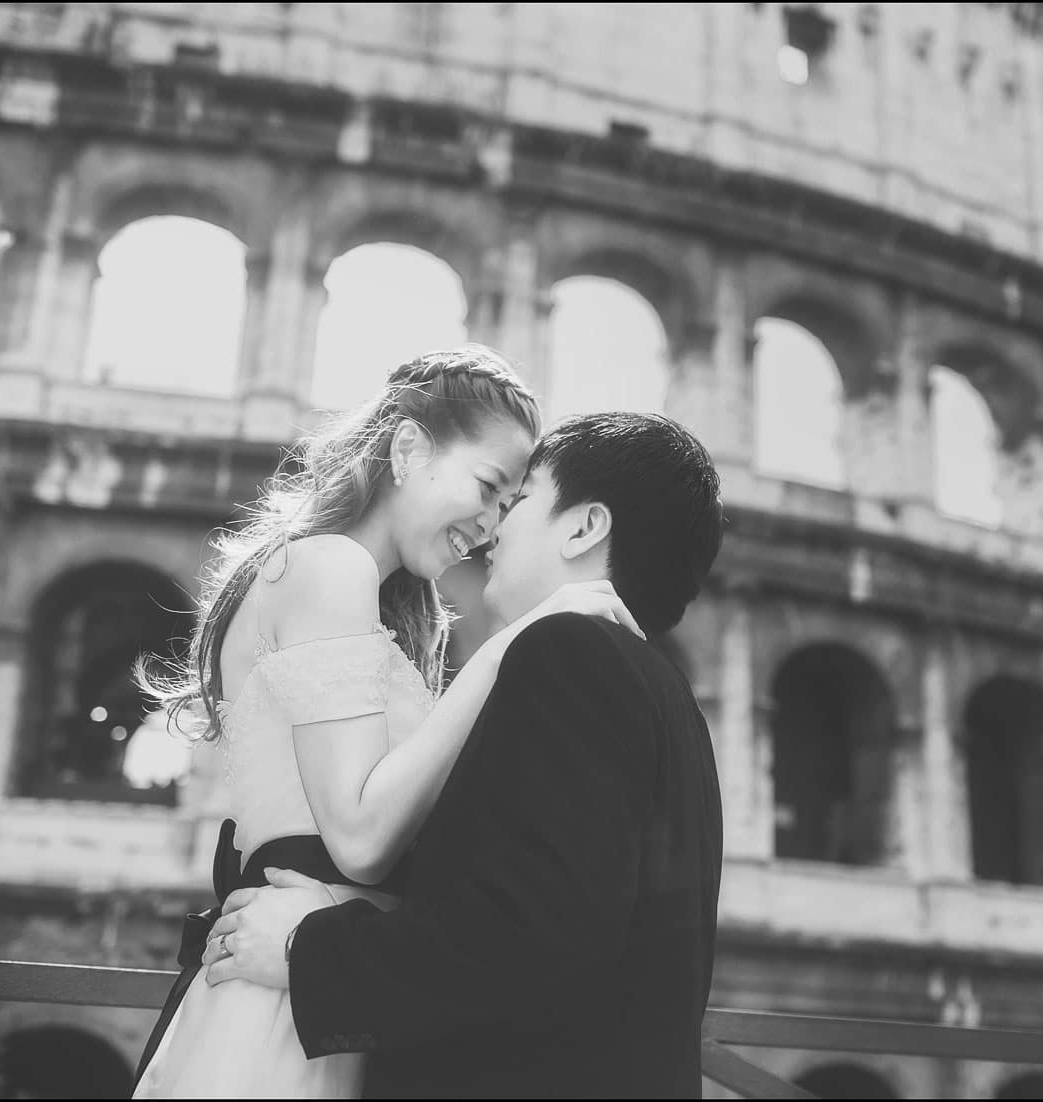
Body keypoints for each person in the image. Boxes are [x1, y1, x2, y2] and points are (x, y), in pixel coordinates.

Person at [130, 347, 643, 1098]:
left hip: (329, 995)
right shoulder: (330, 567)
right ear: (408, 449)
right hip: (290, 1008)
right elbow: (363, 838)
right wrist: (513, 648)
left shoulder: (363, 596)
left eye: (509, 504)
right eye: (488, 486)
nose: (494, 524)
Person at [201, 411, 727, 1098]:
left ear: (584, 526)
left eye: (522, 497)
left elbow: (528, 941)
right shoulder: (668, 697)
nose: (496, 526)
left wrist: (309, 949)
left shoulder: (564, 656)